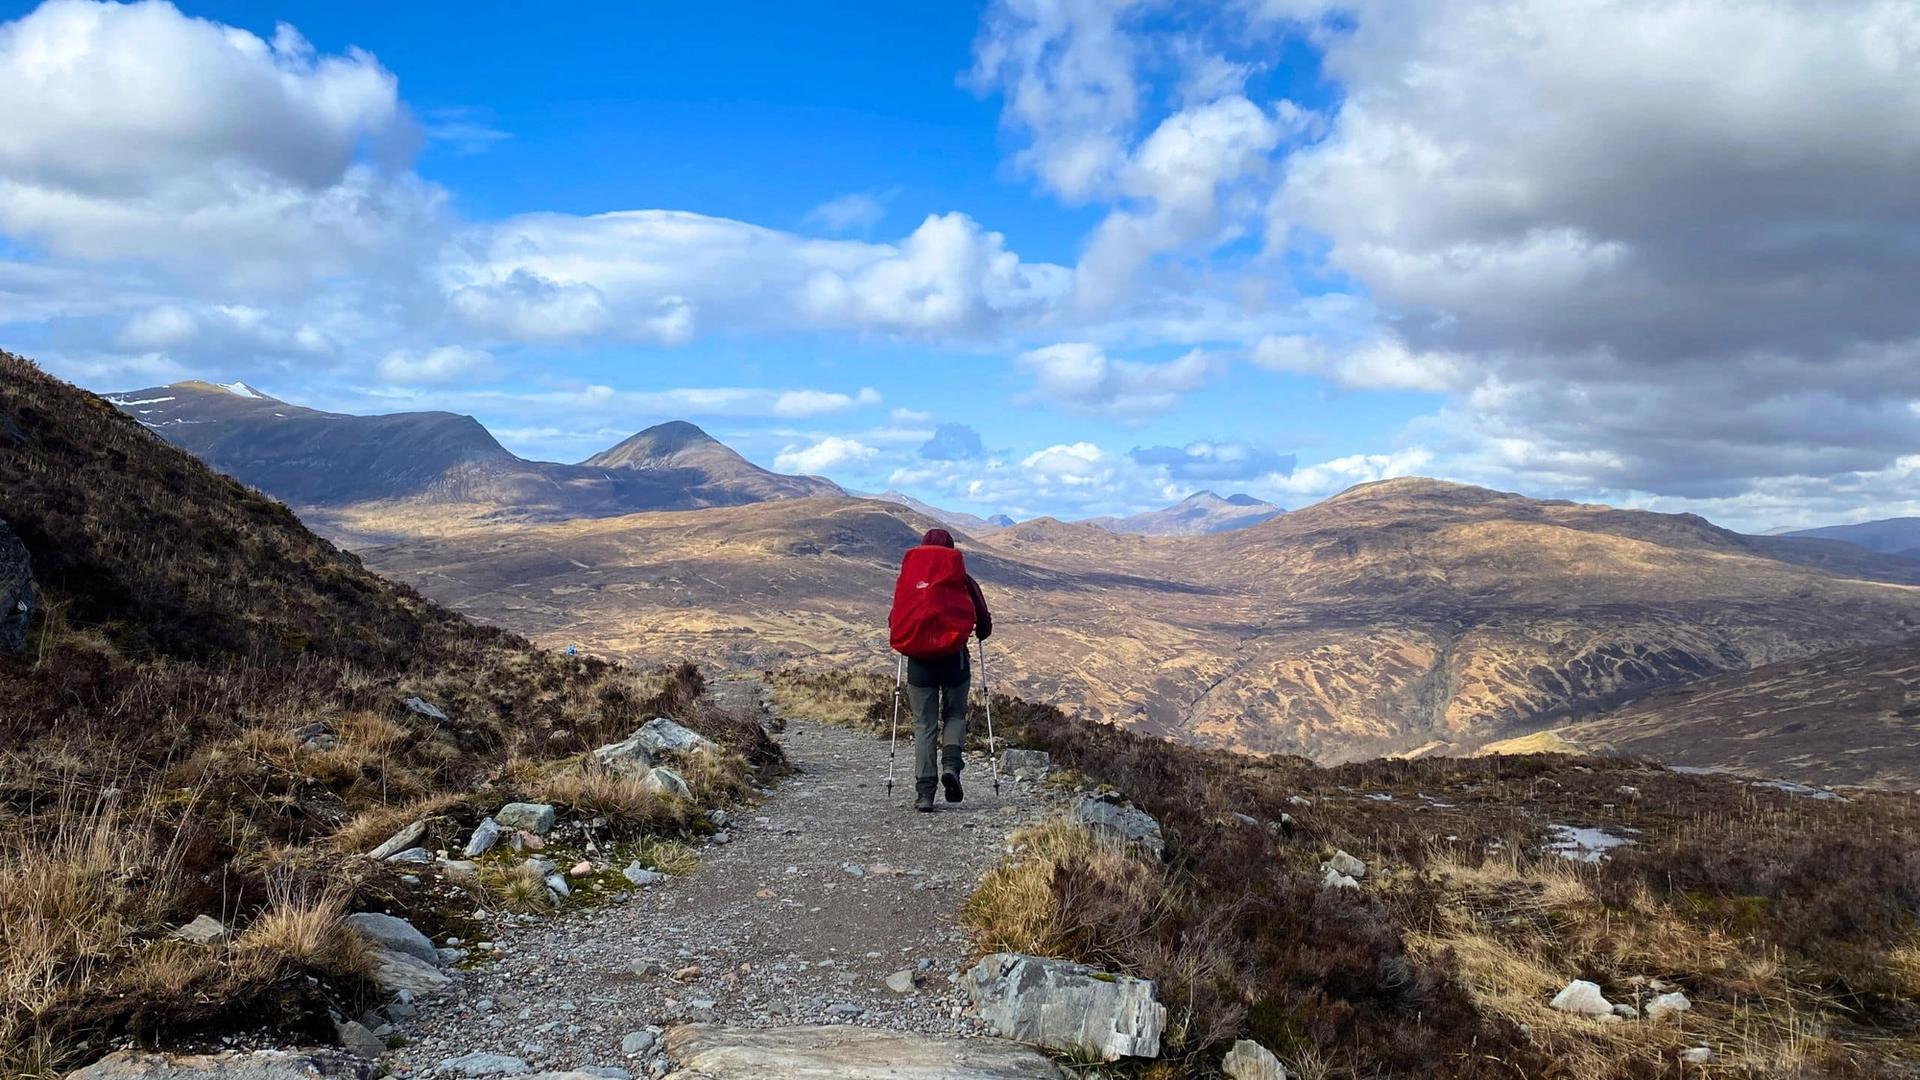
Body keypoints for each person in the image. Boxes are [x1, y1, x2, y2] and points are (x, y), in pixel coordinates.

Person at [903, 528, 991, 812]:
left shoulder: (910, 578)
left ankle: (925, 793)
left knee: (924, 725)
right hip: (954, 659)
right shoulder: (962, 580)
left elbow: (897, 618)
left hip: (919, 662)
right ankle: (951, 767)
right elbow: (984, 624)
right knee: (954, 714)